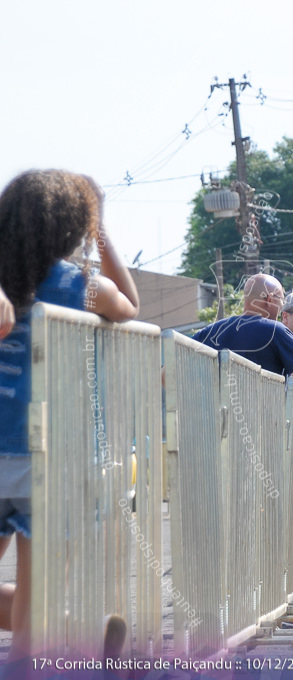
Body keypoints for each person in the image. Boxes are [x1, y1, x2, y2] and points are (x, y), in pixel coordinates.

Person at [0, 169, 140, 662]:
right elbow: (131, 306)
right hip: (53, 461)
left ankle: (79, 627)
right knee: (32, 619)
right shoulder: (82, 285)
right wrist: (101, 229)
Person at [192, 273, 293, 389]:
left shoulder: (213, 329)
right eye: (281, 300)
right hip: (261, 415)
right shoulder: (277, 331)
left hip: (215, 414)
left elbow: (180, 354)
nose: (282, 306)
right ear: (270, 299)